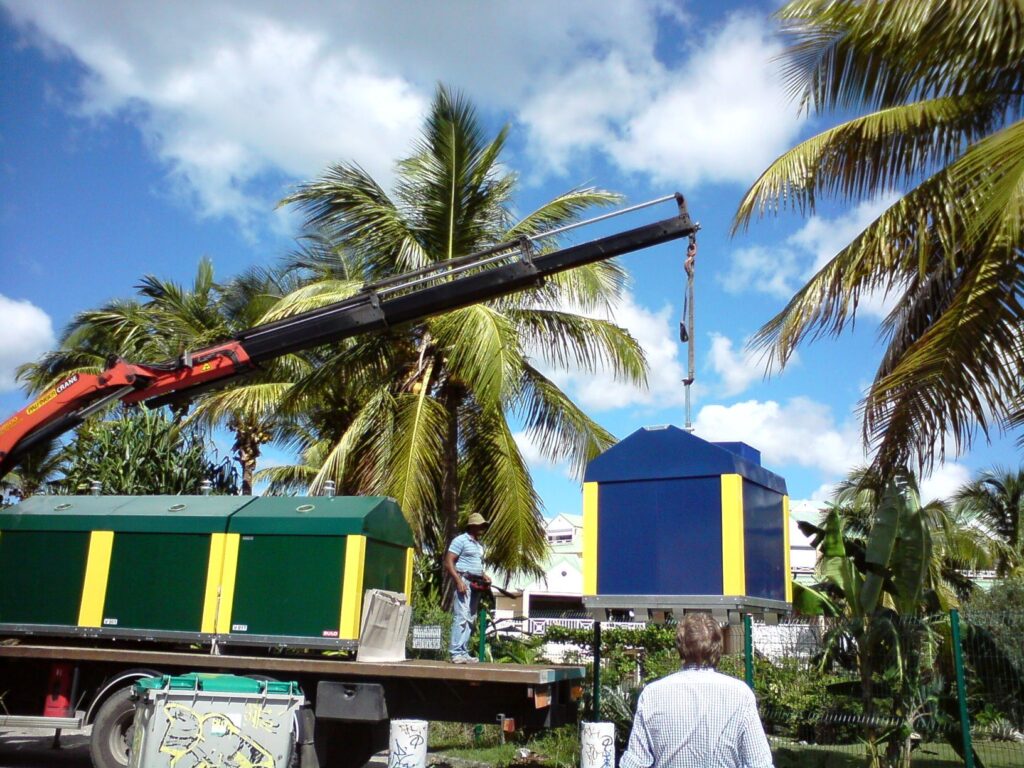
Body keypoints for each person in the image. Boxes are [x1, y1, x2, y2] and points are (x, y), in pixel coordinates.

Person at [620, 613, 773, 768]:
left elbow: (635, 762)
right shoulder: (741, 694)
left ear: (680, 647)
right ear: (718, 647)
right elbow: (760, 763)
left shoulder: (652, 694)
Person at [444, 512, 491, 664]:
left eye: (483, 525)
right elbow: (449, 561)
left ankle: (463, 652)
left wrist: (484, 575)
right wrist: (458, 580)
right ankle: (456, 652)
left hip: (476, 583)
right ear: (472, 526)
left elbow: (475, 564)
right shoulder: (460, 540)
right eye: (480, 525)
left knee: (471, 618)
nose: (482, 528)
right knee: (462, 617)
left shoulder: (478, 545)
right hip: (464, 581)